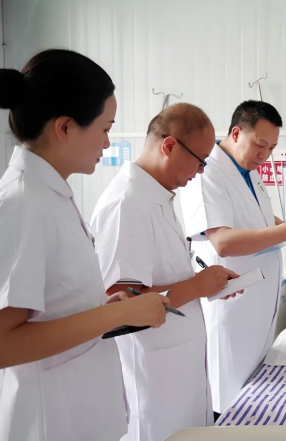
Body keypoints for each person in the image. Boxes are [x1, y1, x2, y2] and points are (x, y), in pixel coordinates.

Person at [0, 49, 168, 441]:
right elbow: (4, 344)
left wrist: (104, 308)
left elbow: (52, 305)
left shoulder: (50, 195)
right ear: (65, 127)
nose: (108, 142)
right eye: (105, 128)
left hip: (80, 410)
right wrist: (114, 316)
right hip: (50, 422)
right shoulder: (23, 203)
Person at [91, 103, 241, 440]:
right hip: (153, 377)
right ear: (170, 146)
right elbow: (122, 302)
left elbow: (162, 278)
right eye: (200, 161)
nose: (201, 172)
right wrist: (197, 286)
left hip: (177, 367)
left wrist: (207, 285)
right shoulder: (126, 203)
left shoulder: (157, 197)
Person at [180, 100, 286, 413]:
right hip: (232, 306)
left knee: (249, 398)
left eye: (271, 148)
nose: (265, 156)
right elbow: (222, 242)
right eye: (260, 145)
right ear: (236, 133)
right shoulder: (209, 173)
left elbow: (258, 217)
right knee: (225, 401)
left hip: (256, 306)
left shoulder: (247, 169)